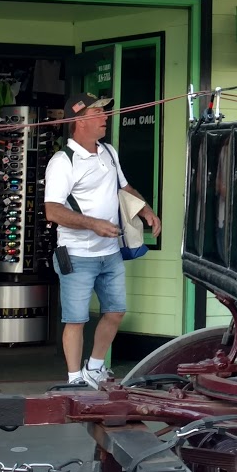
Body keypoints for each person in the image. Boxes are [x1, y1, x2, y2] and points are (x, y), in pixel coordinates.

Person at [44, 92, 161, 387]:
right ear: (79, 121)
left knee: (116, 311)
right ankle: (74, 379)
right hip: (76, 253)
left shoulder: (108, 151)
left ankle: (94, 368)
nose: (105, 116)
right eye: (97, 112)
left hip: (110, 252)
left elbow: (125, 187)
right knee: (76, 319)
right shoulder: (62, 161)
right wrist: (93, 224)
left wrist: (146, 210)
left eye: (103, 111)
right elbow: (52, 210)